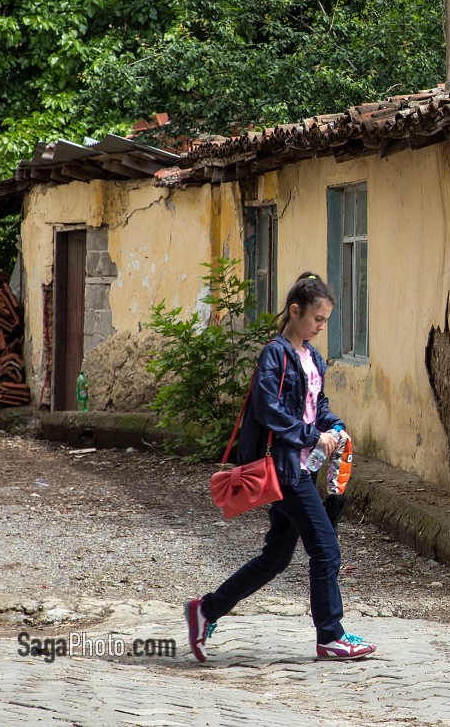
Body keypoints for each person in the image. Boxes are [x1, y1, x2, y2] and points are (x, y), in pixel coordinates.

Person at [184, 272, 376, 661]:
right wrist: (310, 436)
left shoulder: (312, 357)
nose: (321, 327)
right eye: (317, 319)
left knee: (276, 557)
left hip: (303, 467)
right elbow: (267, 408)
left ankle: (205, 610)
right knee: (325, 549)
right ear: (295, 311)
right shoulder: (275, 353)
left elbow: (316, 407)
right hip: (285, 469)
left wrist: (333, 426)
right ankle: (330, 635)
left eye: (325, 321)